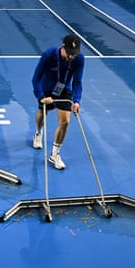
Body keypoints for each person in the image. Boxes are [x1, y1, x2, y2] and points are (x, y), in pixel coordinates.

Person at [31, 34, 85, 169]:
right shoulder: (48, 55)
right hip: (46, 88)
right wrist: (41, 97)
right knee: (42, 114)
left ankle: (55, 154)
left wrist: (77, 101)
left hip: (64, 88)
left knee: (65, 121)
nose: (72, 56)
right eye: (70, 53)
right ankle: (38, 132)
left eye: (75, 53)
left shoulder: (79, 59)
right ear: (63, 47)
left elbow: (77, 83)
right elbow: (35, 78)